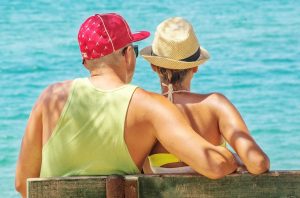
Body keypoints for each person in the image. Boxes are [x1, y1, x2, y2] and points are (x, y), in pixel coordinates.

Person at [15, 13, 238, 197]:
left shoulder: (50, 97)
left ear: (85, 62)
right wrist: (230, 156)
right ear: (128, 54)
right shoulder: (148, 105)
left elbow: (21, 184)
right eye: (135, 49)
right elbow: (214, 165)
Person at [141, 17, 270, 174]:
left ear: (153, 66)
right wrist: (233, 158)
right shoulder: (216, 104)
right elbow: (259, 163)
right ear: (195, 67)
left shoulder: (145, 109)